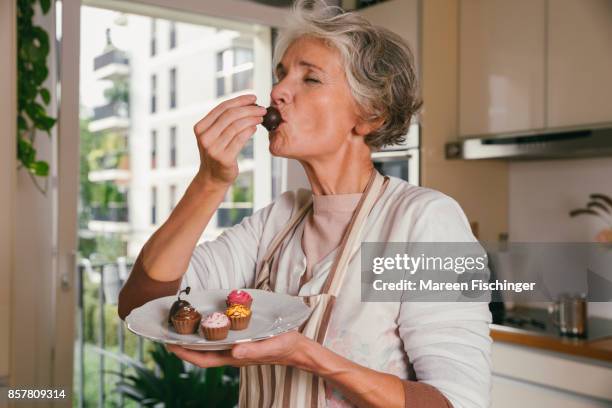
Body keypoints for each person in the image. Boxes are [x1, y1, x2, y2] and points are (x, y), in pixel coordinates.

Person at [118, 1, 491, 407]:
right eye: (281, 75)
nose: (278, 91)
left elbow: (457, 403)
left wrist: (305, 355)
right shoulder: (277, 221)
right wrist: (209, 182)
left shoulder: (424, 221)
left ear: (370, 115)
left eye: (310, 79)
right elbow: (141, 305)